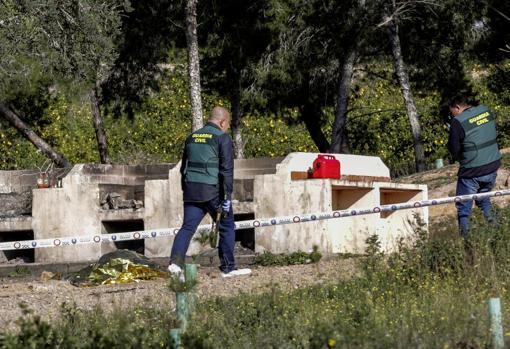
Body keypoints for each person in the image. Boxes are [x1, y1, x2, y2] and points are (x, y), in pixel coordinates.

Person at [168, 106, 251, 278]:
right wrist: (227, 196)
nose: (227, 127)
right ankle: (228, 268)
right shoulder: (222, 138)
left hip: (192, 191)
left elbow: (184, 167)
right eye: (227, 124)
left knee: (187, 228)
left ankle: (175, 265)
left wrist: (186, 189)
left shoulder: (191, 138)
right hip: (212, 192)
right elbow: (226, 170)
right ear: (222, 122)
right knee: (227, 226)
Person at [447, 93, 501, 237]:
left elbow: (453, 149)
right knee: (484, 200)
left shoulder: (458, 122)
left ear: (457, 107)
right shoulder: (485, 111)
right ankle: (498, 234)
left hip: (472, 171)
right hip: (492, 166)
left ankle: (468, 244)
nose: (452, 116)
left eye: (452, 112)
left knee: (463, 208)